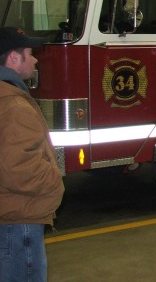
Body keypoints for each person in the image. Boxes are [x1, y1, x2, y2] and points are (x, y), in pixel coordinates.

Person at [0, 27, 65, 281]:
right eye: (30, 53)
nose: (36, 59)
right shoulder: (13, 105)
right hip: (20, 222)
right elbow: (18, 168)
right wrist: (55, 179)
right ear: (14, 59)